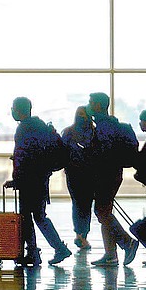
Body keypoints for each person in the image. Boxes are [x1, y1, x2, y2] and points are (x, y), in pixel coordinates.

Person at [5, 96, 72, 266]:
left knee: (27, 216)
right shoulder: (41, 126)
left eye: (13, 108)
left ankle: (35, 252)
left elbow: (23, 157)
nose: (12, 111)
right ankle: (55, 248)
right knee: (39, 216)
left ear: (19, 110)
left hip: (29, 180)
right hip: (41, 177)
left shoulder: (23, 129)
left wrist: (16, 179)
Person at [86, 92, 140, 267]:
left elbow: (103, 152)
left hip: (105, 174)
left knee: (102, 212)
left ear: (99, 106)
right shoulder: (109, 124)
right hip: (112, 173)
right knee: (104, 212)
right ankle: (110, 255)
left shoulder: (103, 127)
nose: (89, 105)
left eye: (91, 102)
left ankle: (127, 243)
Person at [60, 105, 97, 250]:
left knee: (85, 204)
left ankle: (82, 234)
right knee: (78, 203)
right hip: (74, 174)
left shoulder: (93, 132)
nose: (81, 117)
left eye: (83, 114)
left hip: (88, 174)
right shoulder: (70, 132)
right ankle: (80, 234)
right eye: (79, 114)